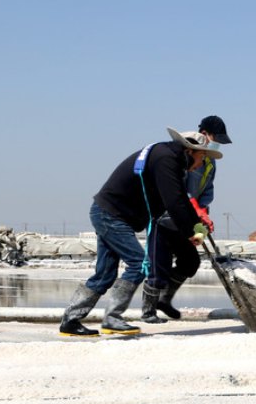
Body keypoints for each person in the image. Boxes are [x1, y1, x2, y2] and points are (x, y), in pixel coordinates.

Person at [59, 127, 222, 337]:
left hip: (109, 213)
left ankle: (70, 321)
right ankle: (113, 319)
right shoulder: (167, 160)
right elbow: (174, 202)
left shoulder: (168, 157)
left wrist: (196, 223)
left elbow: (179, 199)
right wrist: (190, 231)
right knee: (138, 263)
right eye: (202, 157)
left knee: (104, 274)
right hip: (111, 216)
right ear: (190, 151)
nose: (202, 163)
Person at [141, 116, 233, 323]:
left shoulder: (210, 162)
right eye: (214, 137)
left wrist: (203, 214)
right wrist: (196, 211)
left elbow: (206, 191)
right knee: (159, 266)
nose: (216, 143)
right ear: (204, 133)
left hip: (187, 218)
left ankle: (164, 299)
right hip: (164, 217)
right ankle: (148, 312)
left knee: (190, 261)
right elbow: (176, 191)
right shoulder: (184, 153)